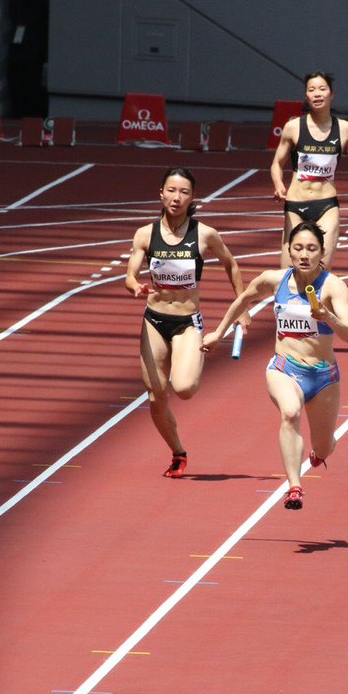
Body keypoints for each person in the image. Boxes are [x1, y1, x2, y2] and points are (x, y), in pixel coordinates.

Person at [202, 221, 348, 509]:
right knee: (290, 412)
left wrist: (327, 317)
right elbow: (245, 298)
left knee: (324, 446)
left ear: (322, 252)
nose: (304, 254)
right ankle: (295, 486)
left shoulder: (334, 287)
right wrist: (219, 332)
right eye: (298, 248)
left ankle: (320, 452)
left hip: (324, 375)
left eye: (311, 249)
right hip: (285, 368)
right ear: (289, 250)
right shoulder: (275, 280)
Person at [125, 167, 250, 478]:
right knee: (155, 397)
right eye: (171, 190)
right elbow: (129, 275)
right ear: (161, 194)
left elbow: (231, 264)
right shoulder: (145, 234)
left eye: (183, 192)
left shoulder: (204, 234)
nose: (176, 197)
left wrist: (243, 307)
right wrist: (135, 286)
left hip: (186, 323)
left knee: (184, 388)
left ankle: (195, 354)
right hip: (154, 320)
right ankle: (178, 452)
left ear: (193, 198)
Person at [271, 71, 348, 270]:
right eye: (311, 90)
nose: (317, 94)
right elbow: (276, 163)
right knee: (287, 271)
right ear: (306, 96)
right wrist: (278, 185)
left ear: (331, 94)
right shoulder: (293, 127)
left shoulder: (345, 129)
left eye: (322, 89)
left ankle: (316, 301)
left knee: (319, 269)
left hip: (326, 204)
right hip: (295, 204)